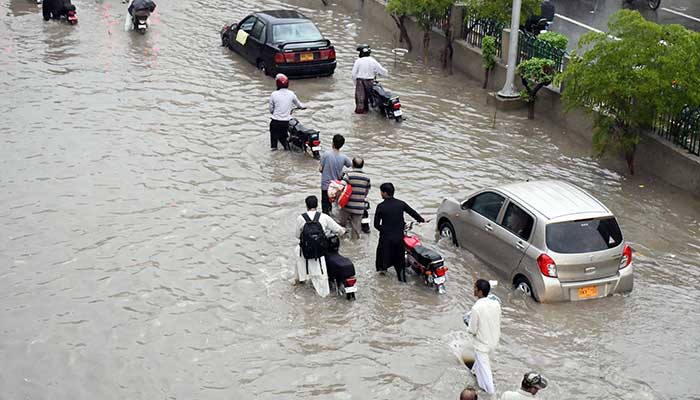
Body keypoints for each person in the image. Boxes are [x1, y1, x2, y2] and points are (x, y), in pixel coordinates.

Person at [294, 195, 346, 297]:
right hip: (319, 252)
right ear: (317, 205)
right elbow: (338, 230)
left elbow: (297, 235)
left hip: (304, 251)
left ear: (306, 205)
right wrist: (343, 231)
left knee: (298, 256)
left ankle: (300, 280)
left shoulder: (300, 218)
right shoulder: (324, 217)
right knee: (321, 278)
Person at [373, 182, 425, 282]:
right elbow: (413, 213)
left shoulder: (381, 206)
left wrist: (385, 231)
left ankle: (382, 283)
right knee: (400, 264)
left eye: (381, 192)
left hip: (386, 239)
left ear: (384, 193)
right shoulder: (401, 204)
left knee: (382, 263)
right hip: (398, 238)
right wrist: (421, 220)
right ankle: (402, 280)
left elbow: (376, 225)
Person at [463, 279, 502, 395]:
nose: (473, 289)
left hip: (482, 345)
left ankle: (491, 393)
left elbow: (473, 329)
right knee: (480, 365)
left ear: (480, 292)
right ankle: (478, 378)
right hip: (493, 341)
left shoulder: (476, 308)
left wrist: (467, 326)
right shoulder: (495, 304)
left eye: (475, 288)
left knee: (486, 371)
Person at [269, 73, 305, 151]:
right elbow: (299, 105)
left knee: (274, 145)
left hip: (275, 122)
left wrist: (275, 112)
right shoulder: (291, 94)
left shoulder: (273, 94)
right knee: (284, 141)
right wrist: (303, 107)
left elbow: (271, 110)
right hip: (285, 123)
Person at [319, 134, 351, 214]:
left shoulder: (326, 154)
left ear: (332, 143)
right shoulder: (344, 157)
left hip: (326, 186)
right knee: (336, 207)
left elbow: (320, 169)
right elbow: (351, 165)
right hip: (336, 187)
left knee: (325, 208)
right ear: (342, 145)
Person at [339, 158, 370, 239]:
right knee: (356, 230)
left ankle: (343, 243)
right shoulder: (367, 177)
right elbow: (366, 192)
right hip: (359, 207)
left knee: (342, 227)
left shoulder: (348, 175)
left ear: (352, 164)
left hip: (347, 206)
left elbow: (341, 187)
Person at [351, 45, 388, 114]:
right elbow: (383, 71)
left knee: (360, 101)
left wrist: (355, 83)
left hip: (360, 83)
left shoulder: (358, 61)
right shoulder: (373, 61)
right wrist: (386, 74)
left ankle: (361, 117)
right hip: (370, 82)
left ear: (361, 53)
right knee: (372, 98)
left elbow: (353, 74)